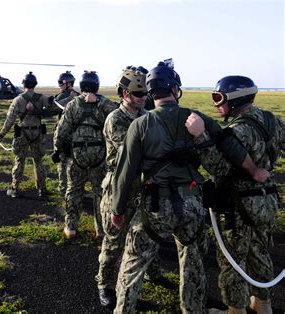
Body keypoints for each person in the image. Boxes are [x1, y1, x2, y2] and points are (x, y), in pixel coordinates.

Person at [110, 64, 268, 313]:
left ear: (151, 93)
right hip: (192, 205)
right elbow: (229, 144)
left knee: (132, 265)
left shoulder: (139, 125)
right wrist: (254, 170)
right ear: (175, 89)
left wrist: (117, 209)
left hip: (153, 207)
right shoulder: (196, 118)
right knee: (193, 265)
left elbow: (125, 172)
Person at [186, 75, 284, 314]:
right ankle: (263, 306)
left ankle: (235, 310)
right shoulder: (273, 121)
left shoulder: (236, 132)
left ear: (235, 99)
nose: (216, 105)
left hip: (237, 205)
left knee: (232, 261)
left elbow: (219, 168)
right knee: (260, 253)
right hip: (266, 200)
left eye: (219, 98)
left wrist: (200, 137)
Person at [96, 66, 174, 309]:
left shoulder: (147, 116)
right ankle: (105, 283)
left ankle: (153, 271)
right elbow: (130, 154)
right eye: (137, 94)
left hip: (144, 186)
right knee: (113, 239)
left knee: (147, 233)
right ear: (123, 93)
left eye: (145, 95)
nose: (142, 98)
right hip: (120, 187)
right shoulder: (115, 119)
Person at [52, 71, 117, 238]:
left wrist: (57, 149)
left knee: (73, 191)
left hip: (77, 157)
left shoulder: (73, 105)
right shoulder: (105, 105)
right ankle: (101, 229)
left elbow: (61, 131)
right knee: (100, 193)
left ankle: (71, 227)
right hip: (100, 158)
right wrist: (99, 102)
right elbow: (118, 114)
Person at [0, 72, 53, 198]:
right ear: (35, 84)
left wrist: (2, 134)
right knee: (38, 161)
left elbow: (10, 119)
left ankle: (15, 189)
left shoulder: (18, 99)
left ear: (23, 84)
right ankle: (42, 189)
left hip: (23, 134)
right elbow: (51, 108)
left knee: (20, 161)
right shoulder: (42, 98)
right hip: (37, 133)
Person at [53, 71, 79, 194]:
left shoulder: (60, 97)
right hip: (76, 134)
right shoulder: (79, 96)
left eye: (60, 82)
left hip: (64, 133)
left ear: (68, 83)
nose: (59, 85)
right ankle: (74, 186)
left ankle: (63, 187)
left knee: (62, 161)